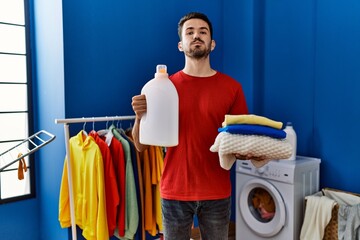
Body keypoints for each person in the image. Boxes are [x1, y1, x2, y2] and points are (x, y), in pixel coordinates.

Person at [131, 12, 248, 240]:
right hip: (175, 190)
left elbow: (241, 142)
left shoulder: (232, 88)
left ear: (212, 44)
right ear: (180, 45)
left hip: (216, 191)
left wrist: (254, 152)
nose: (197, 36)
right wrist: (139, 117)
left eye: (203, 32)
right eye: (190, 32)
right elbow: (140, 146)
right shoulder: (163, 87)